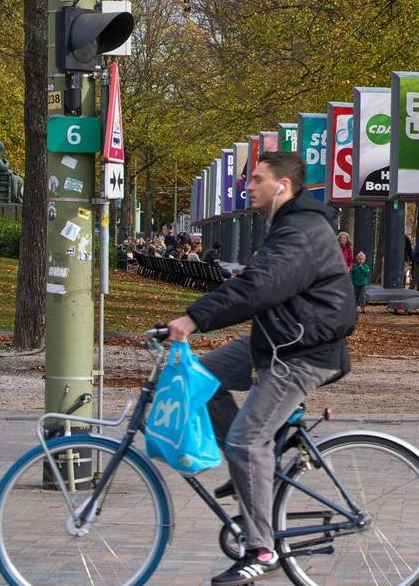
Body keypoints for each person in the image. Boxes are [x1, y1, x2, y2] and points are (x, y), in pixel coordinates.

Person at [166, 151, 356, 586]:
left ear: (282, 186)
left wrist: (195, 317)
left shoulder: (301, 231)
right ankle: (252, 469)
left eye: (256, 179)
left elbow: (259, 287)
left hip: (303, 352)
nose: (247, 186)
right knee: (200, 378)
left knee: (246, 441)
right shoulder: (287, 224)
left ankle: (261, 549)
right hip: (277, 341)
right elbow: (259, 286)